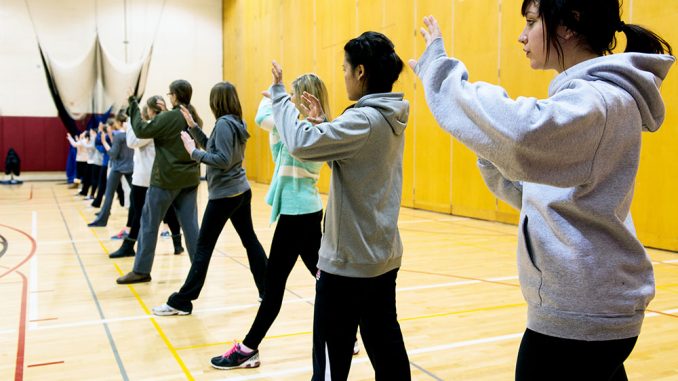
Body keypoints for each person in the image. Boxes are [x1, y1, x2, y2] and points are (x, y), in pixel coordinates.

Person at [410, 1, 673, 379]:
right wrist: (481, 136)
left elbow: (520, 136)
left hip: (581, 315)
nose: (522, 35)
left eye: (531, 22)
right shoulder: (594, 99)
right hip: (592, 311)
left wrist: (441, 77)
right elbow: (534, 190)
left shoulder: (596, 102)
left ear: (570, 24)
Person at [261, 31, 411, 380]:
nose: (342, 75)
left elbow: (298, 143)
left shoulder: (363, 119)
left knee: (330, 366)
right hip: (380, 257)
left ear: (361, 72)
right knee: (387, 353)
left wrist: (281, 97)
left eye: (345, 68)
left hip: (347, 266)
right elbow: (357, 162)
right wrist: (327, 128)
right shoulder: (388, 116)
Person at [208, 74, 331, 370]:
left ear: (303, 98)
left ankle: (249, 347)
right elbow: (266, 117)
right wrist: (279, 98)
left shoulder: (299, 129)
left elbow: (263, 116)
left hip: (297, 214)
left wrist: (274, 96)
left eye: (293, 94)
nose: (288, 98)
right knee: (324, 278)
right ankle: (347, 334)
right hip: (304, 212)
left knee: (274, 287)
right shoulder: (317, 129)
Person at [152, 81, 267, 314]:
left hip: (225, 196)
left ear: (217, 101)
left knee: (203, 247)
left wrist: (193, 152)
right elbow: (216, 149)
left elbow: (222, 159)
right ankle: (267, 290)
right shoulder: (236, 121)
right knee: (250, 240)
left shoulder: (224, 124)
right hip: (240, 192)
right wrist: (193, 127)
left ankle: (182, 300)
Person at [116, 80, 202, 284]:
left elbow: (140, 130)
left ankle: (141, 270)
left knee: (149, 224)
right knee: (191, 226)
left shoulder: (170, 117)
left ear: (173, 96)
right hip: (190, 178)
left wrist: (133, 103)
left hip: (166, 179)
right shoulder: (194, 115)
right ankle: (199, 268)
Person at [109, 97, 185, 258]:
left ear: (150, 110)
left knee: (139, 212)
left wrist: (130, 119)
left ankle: (129, 245)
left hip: (147, 177)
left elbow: (132, 141)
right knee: (167, 211)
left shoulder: (153, 126)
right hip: (151, 176)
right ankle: (177, 244)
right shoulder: (162, 123)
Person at [88, 112, 134, 227]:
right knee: (136, 195)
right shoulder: (131, 135)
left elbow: (113, 154)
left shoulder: (118, 136)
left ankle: (102, 220)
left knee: (109, 195)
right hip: (130, 167)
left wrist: (104, 141)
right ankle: (141, 218)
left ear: (118, 123)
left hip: (117, 167)